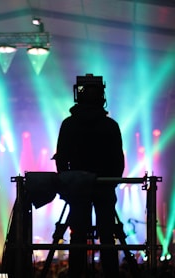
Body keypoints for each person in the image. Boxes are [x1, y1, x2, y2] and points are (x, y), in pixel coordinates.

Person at [53, 74, 125, 277]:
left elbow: (61, 158)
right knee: (107, 236)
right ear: (102, 96)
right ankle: (111, 273)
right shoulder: (110, 125)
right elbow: (118, 160)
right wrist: (111, 182)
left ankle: (76, 273)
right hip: (104, 185)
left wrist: (67, 181)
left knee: (77, 235)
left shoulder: (69, 124)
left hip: (77, 185)